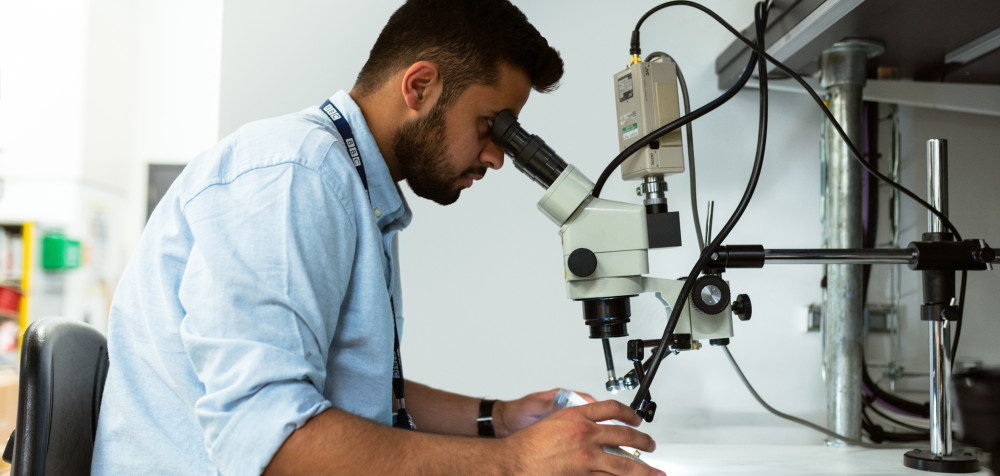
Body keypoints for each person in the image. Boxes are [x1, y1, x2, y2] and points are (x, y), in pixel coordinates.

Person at [92, 1, 662, 474]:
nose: (497, 156)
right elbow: (272, 441)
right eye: (493, 126)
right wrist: (513, 461)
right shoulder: (295, 174)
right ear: (420, 86)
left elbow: (349, 388)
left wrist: (499, 418)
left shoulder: (351, 186)